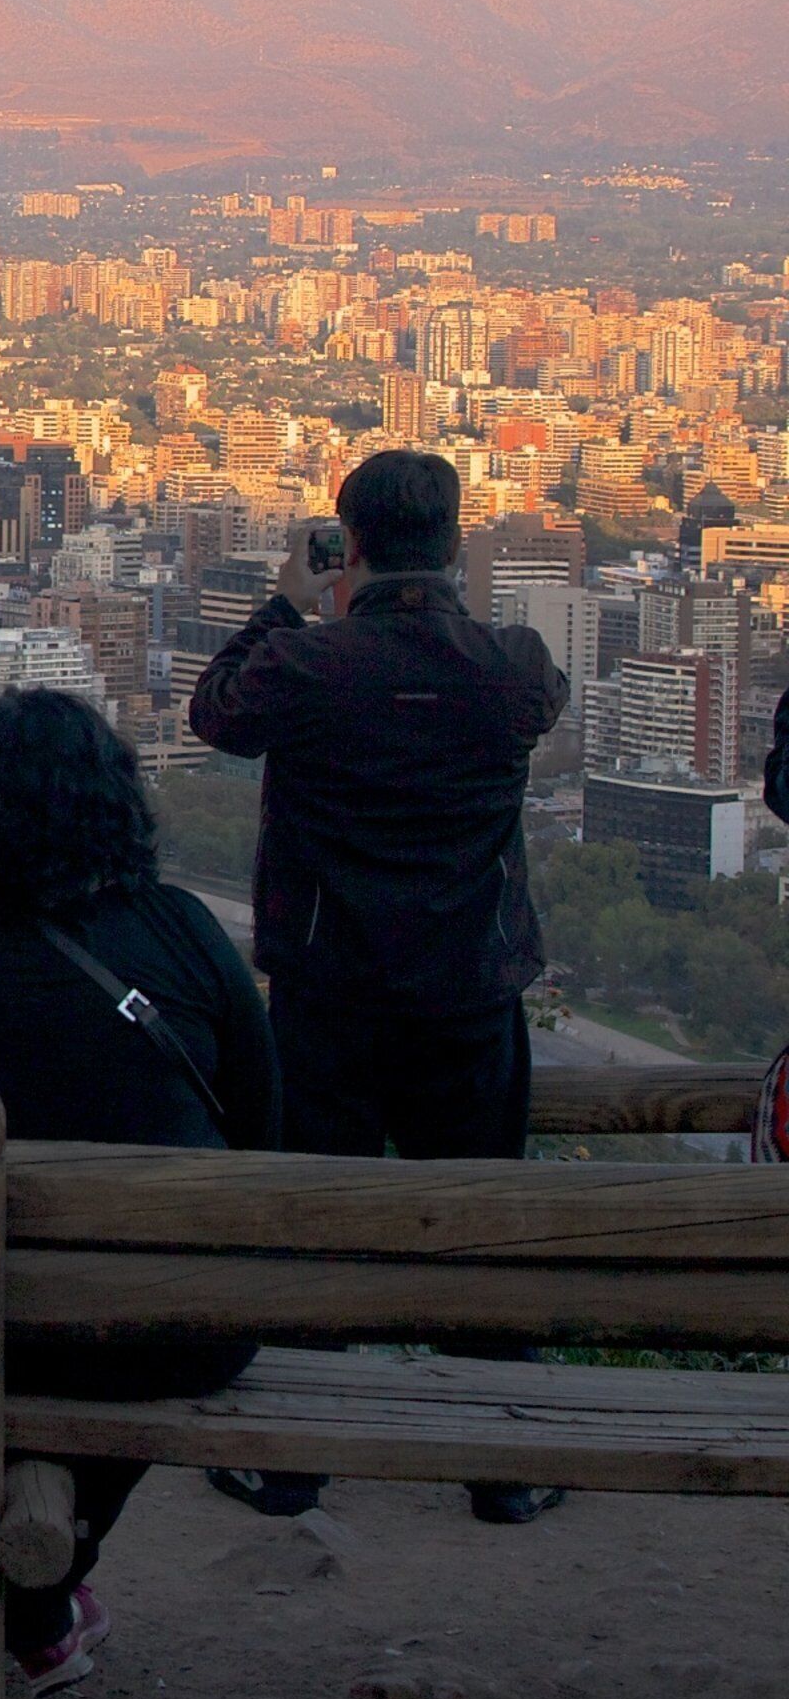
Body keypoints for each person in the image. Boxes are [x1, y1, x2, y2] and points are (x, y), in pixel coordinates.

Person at [0, 687, 278, 1698]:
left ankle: (35, 1589)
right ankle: (49, 1566)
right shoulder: (185, 934)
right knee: (133, 1326)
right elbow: (260, 1138)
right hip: (166, 1327)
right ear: (121, 806)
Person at [187, 448, 571, 1525]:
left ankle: (298, 1459)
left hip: (329, 994)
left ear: (346, 544)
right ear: (455, 544)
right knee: (482, 1225)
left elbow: (213, 714)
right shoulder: (512, 666)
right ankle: (501, 1466)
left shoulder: (311, 668)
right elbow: (540, 693)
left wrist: (286, 604)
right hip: (468, 996)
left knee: (318, 1221)